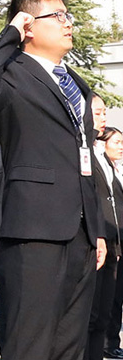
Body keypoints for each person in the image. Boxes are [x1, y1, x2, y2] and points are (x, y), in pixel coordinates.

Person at [0, 0, 106, 360]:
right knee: (29, 343)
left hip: (80, 233)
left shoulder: (74, 82)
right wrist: (11, 31)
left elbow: (83, 157)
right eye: (56, 16)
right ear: (28, 24)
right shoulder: (11, 73)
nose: (67, 23)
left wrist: (96, 230)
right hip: (33, 228)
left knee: (70, 345)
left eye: (67, 15)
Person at [86, 96, 122, 360]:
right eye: (98, 113)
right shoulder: (86, 154)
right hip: (94, 241)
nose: (103, 118)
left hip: (112, 244)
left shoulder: (108, 164)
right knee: (91, 313)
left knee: (104, 312)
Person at [103, 127, 123, 360]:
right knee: (110, 296)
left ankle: (112, 341)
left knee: (117, 296)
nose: (121, 147)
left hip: (119, 240)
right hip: (110, 240)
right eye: (116, 142)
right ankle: (108, 342)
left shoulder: (117, 170)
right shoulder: (102, 169)